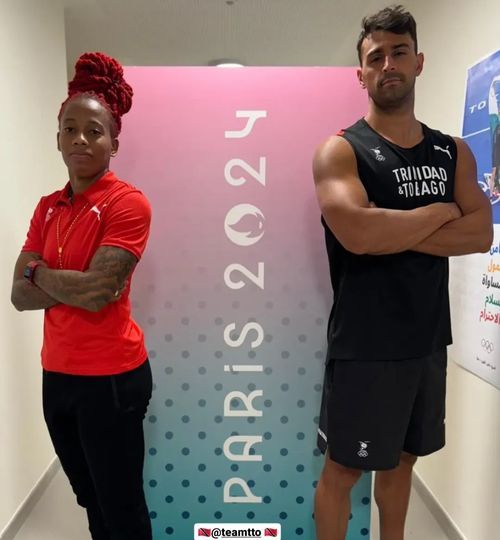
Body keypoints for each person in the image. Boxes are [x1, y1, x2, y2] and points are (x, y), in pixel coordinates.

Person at [312, 6, 493, 540]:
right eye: (376, 57)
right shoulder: (340, 150)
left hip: (426, 339)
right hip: (365, 344)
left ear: (419, 62)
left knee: (403, 464)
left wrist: (390, 229)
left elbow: (480, 234)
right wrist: (440, 212)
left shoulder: (451, 152)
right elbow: (358, 235)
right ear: (361, 73)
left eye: (399, 52)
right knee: (343, 470)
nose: (388, 64)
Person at [11, 52, 153, 540]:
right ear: (58, 139)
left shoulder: (127, 203)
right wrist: (43, 278)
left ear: (114, 142)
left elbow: (98, 292)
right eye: (70, 129)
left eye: (94, 131)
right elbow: (17, 295)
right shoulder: (47, 207)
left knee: (122, 507)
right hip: (57, 376)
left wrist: (38, 271)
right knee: (89, 497)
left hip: (111, 380)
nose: (81, 139)